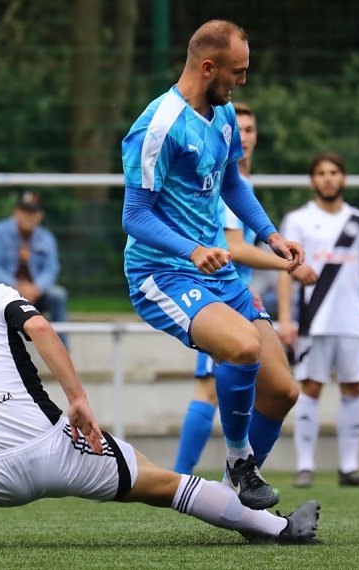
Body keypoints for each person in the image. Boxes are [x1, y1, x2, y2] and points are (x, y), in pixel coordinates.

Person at [0, 237, 320, 546]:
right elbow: (42, 331)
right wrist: (79, 401)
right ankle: (277, 529)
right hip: (59, 448)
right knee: (165, 484)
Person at [121, 19, 303, 510]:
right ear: (208, 67)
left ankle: (234, 501)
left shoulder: (222, 116)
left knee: (283, 391)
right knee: (243, 348)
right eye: (237, 72)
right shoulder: (157, 126)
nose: (242, 81)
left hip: (216, 275)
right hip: (162, 274)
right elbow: (134, 215)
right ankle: (241, 464)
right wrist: (191, 248)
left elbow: (231, 184)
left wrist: (271, 235)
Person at [173, 103, 316, 475]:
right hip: (217, 295)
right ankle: (183, 479)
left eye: (251, 130)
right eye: (242, 129)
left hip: (236, 295)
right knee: (206, 389)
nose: (246, 137)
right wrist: (287, 264)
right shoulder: (222, 179)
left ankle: (229, 481)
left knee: (262, 391)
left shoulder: (239, 184)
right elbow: (233, 247)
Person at [277, 152, 359, 489]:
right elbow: (286, 273)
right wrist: (285, 320)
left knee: (353, 387)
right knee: (309, 389)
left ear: (343, 178)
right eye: (321, 173)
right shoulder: (296, 220)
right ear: (313, 180)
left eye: (334, 172)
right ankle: (305, 467)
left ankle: (349, 468)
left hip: (352, 322)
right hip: (313, 321)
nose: (328, 178)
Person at [0, 190, 68, 344]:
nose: (27, 216)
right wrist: (16, 287)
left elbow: (51, 269)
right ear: (15, 212)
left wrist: (36, 288)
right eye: (24, 211)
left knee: (58, 296)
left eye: (32, 212)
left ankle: (62, 351)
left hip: (36, 293)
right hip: (4, 292)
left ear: (40, 215)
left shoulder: (46, 237)